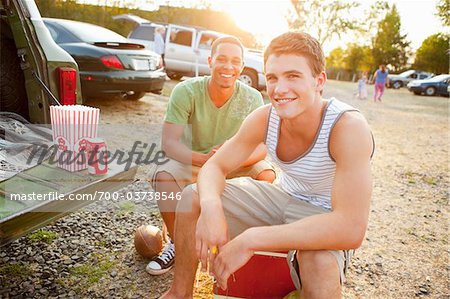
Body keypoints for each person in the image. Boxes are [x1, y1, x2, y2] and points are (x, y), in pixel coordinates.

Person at [160, 31, 374, 299]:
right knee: (193, 196)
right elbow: (215, 166)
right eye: (272, 77)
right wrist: (212, 207)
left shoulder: (347, 127)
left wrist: (251, 240)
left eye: (293, 76)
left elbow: (350, 227)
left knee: (319, 264)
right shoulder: (265, 117)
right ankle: (179, 294)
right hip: (282, 196)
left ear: (319, 81)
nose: (279, 89)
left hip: (324, 214)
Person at [146, 36, 275, 275]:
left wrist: (228, 159)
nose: (229, 67)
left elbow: (261, 148)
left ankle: (238, 246)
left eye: (235, 61)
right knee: (164, 175)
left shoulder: (252, 98)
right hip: (196, 159)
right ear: (210, 61)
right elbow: (169, 143)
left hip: (233, 162)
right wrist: (207, 160)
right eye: (222, 59)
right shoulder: (186, 91)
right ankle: (178, 243)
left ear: (242, 65)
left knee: (267, 174)